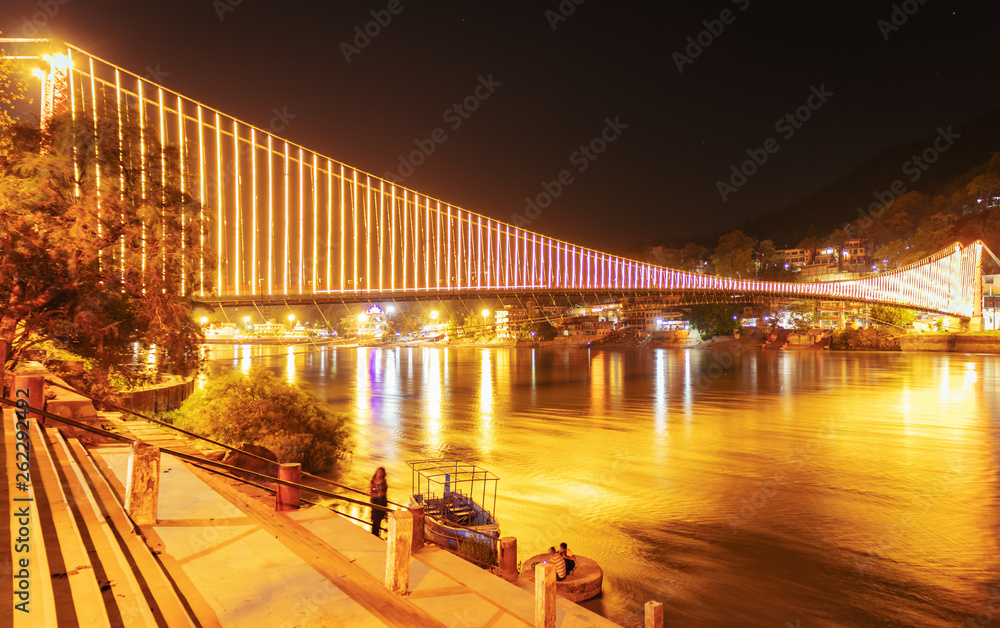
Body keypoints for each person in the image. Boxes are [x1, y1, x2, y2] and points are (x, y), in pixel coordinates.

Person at [369, 467, 388, 537]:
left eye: (381, 472)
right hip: (374, 503)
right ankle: (374, 535)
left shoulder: (383, 482)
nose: (380, 473)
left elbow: (383, 493)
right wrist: (376, 494)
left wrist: (376, 494)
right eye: (379, 472)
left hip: (381, 503)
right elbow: (371, 491)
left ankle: (376, 535)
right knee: (375, 520)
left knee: (378, 521)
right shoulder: (373, 481)